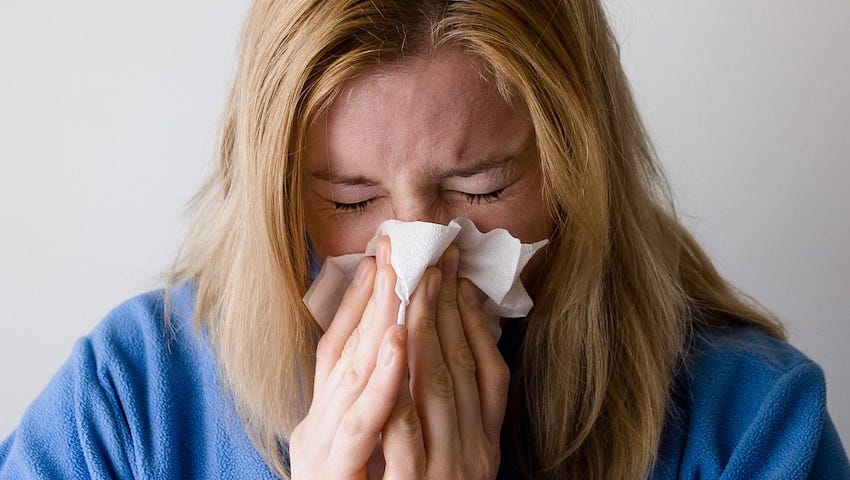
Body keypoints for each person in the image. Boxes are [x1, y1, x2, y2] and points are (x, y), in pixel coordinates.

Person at [1, 0, 848, 478]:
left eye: (479, 188)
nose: (416, 258)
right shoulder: (129, 406)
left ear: (574, 169)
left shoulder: (749, 430)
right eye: (349, 196)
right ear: (278, 194)